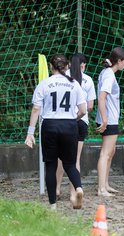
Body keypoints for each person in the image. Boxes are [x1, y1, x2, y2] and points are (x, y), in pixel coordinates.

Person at [25, 54, 86, 210]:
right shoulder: (74, 84)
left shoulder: (45, 84)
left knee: (51, 166)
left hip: (50, 126)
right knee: (70, 164)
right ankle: (78, 188)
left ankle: (53, 205)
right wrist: (73, 120)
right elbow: (83, 110)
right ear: (67, 67)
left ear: (51, 67)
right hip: (69, 125)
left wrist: (30, 133)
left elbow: (36, 109)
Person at [56, 53, 96, 201]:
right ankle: (74, 192)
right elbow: (90, 106)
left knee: (60, 158)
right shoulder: (88, 80)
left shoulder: (61, 78)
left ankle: (57, 189)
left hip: (64, 121)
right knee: (75, 159)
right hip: (81, 120)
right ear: (83, 65)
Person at [96, 47, 124, 197]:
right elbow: (102, 97)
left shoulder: (107, 73)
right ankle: (101, 188)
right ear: (119, 61)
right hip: (108, 119)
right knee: (106, 153)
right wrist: (105, 119)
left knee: (111, 152)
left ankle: (105, 184)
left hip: (110, 118)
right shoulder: (109, 75)